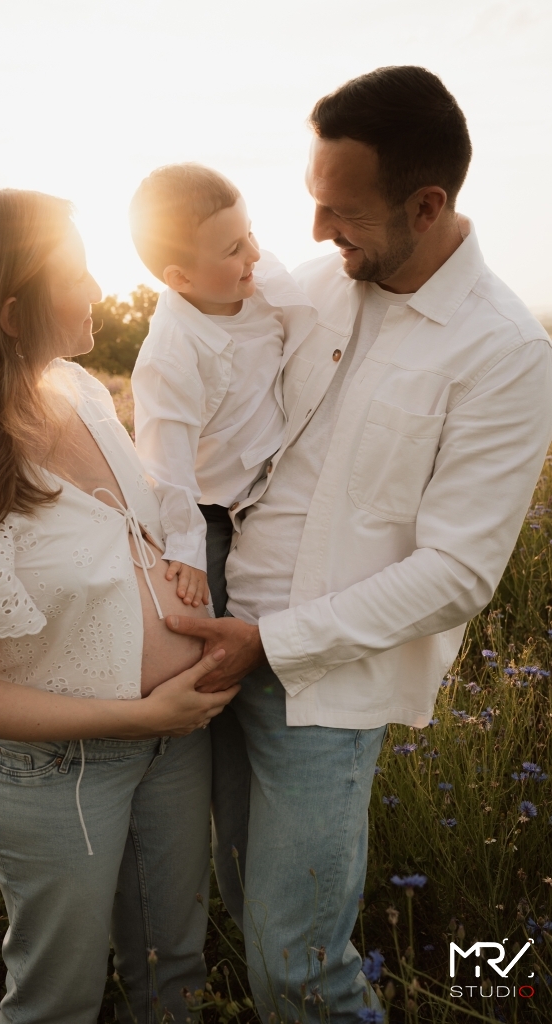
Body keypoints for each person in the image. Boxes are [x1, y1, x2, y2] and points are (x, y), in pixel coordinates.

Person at [166, 66, 552, 1021]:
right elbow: (195, 351)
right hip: (217, 647)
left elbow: (456, 573)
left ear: (426, 206)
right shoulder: (313, 287)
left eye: (341, 211)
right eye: (312, 200)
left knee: (298, 967)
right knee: (244, 916)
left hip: (321, 688)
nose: (311, 232)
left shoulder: (504, 351)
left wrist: (270, 643)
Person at [0, 189, 239, 1024]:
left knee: (173, 973)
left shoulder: (78, 391)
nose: (98, 288)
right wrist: (140, 716)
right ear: (11, 313)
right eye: (75, 275)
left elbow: (136, 522)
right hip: (59, 771)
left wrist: (179, 574)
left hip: (172, 746)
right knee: (59, 1000)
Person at [130, 164, 316, 617]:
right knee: (201, 606)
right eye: (234, 249)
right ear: (181, 279)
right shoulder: (171, 354)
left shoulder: (263, 281)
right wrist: (186, 545)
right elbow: (166, 461)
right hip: (207, 506)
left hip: (274, 485)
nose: (255, 252)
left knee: (285, 598)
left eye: (250, 232)